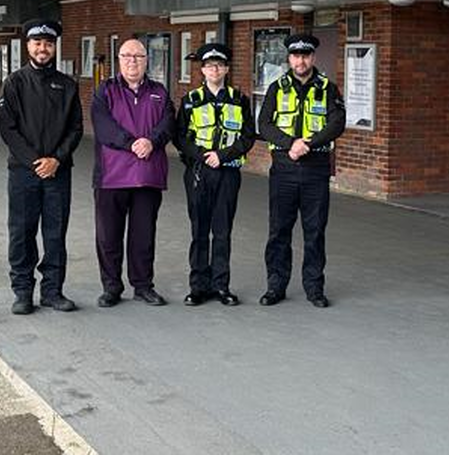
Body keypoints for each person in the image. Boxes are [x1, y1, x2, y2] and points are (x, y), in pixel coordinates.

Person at [0, 18, 83, 315]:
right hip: (23, 173)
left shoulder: (67, 84)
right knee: (22, 232)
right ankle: (22, 292)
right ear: (28, 46)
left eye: (48, 43)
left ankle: (52, 291)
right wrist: (35, 162)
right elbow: (7, 128)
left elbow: (76, 128)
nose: (42, 48)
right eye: (37, 43)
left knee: (55, 233)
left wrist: (56, 159)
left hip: (58, 172)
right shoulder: (14, 83)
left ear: (54, 46)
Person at [256, 33, 345, 308]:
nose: (301, 61)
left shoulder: (328, 89)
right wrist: (290, 144)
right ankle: (275, 286)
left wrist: (307, 144)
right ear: (289, 58)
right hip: (283, 168)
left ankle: (314, 287)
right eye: (296, 56)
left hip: (316, 168)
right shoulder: (276, 88)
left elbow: (337, 122)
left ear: (313, 58)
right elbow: (265, 125)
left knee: (315, 230)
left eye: (305, 55)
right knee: (279, 230)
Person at [90, 37, 175, 308]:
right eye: (126, 56)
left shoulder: (160, 92)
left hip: (148, 177)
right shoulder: (105, 91)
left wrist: (151, 141)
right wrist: (131, 143)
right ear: (119, 60)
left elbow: (168, 123)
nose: (132, 61)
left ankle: (143, 286)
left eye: (138, 56)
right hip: (111, 177)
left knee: (143, 236)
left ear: (147, 60)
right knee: (108, 236)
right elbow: (103, 126)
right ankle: (111, 286)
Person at [173, 42, 255, 307]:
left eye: (219, 65)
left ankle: (221, 286)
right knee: (199, 230)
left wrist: (223, 155)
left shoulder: (239, 100)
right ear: (203, 70)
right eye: (209, 66)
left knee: (222, 231)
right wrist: (203, 155)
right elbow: (180, 138)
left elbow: (247, 137)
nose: (214, 70)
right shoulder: (190, 101)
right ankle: (198, 287)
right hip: (199, 173)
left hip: (228, 173)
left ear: (226, 69)